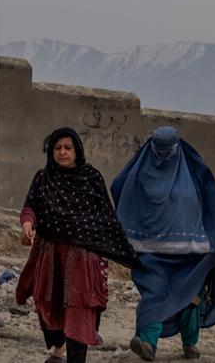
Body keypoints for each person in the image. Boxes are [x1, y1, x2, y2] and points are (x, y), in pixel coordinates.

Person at [111, 127, 215, 361]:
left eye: (167, 151)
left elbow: (210, 201)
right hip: (149, 251)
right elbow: (119, 186)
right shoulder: (140, 172)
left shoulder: (192, 172)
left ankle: (189, 344)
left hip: (188, 253)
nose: (162, 156)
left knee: (191, 297)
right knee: (155, 294)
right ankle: (147, 344)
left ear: (177, 147)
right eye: (158, 150)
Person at [15, 127, 140, 363]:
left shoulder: (91, 178)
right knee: (50, 311)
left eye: (67, 148)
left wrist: (103, 249)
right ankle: (58, 347)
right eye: (57, 148)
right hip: (50, 259)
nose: (62, 152)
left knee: (79, 313)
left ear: (77, 151)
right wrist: (27, 224)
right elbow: (30, 206)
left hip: (83, 262)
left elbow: (105, 217)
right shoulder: (43, 178)